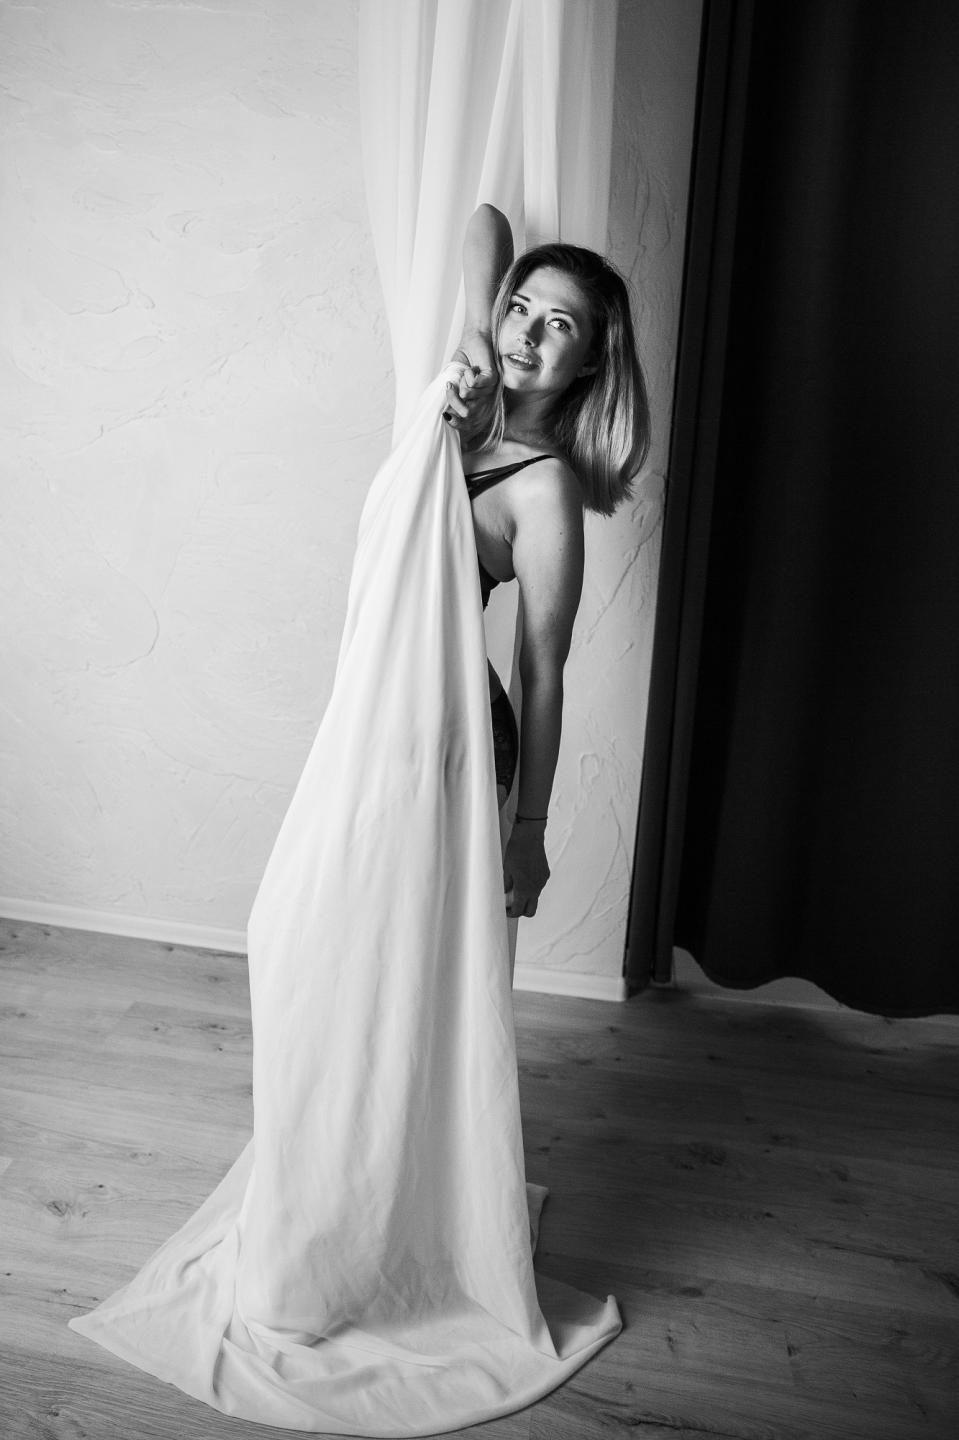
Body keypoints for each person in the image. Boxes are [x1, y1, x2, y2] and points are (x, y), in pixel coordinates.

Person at [443, 204, 650, 920]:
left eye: (558, 324)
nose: (526, 335)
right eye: (519, 309)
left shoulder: (543, 487)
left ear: (590, 358)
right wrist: (478, 327)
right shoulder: (455, 412)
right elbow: (485, 220)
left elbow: (542, 671)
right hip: (380, 699)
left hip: (453, 725)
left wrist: (529, 833)